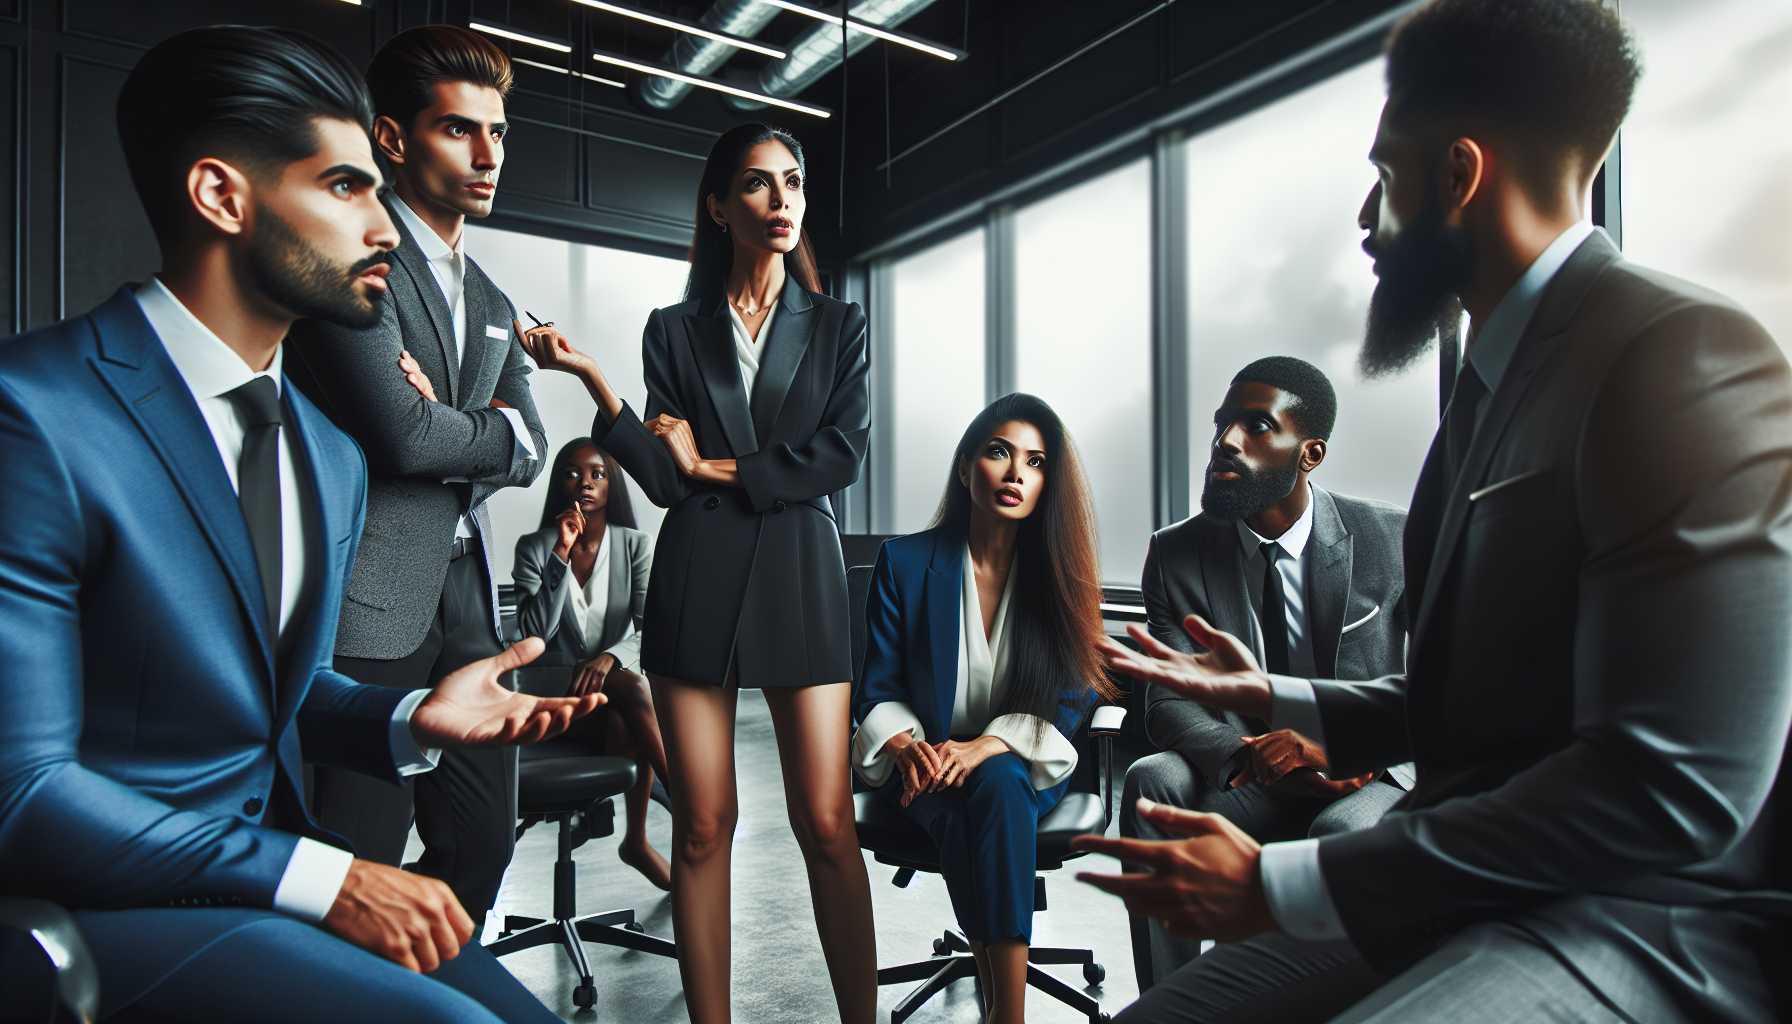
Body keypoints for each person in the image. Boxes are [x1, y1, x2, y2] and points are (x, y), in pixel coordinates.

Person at [1077, 2, 1792, 1021]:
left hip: (1631, 922)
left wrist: (1283, 885)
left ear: (1459, 176)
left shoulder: (1682, 356)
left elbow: (1670, 789)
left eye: (1384, 178)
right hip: (1468, 883)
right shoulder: (1489, 387)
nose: (1364, 222)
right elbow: (1485, 701)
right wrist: (1270, 693)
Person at [0, 27, 600, 1021]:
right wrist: (321, 877)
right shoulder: (33, 414)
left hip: (262, 886)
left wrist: (408, 716)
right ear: (221, 196)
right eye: (344, 188)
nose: (386, 228)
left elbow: (256, 697)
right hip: (103, 910)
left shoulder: (322, 452)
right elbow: (21, 792)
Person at [514, 122, 877, 1023]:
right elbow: (666, 480)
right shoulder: (672, 330)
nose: (781, 200)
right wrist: (603, 388)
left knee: (827, 827)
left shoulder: (839, 325)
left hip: (801, 574)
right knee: (704, 826)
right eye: (756, 186)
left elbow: (837, 458)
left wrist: (720, 466)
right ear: (719, 207)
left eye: (791, 182)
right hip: (699, 576)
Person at [285, 25, 547, 933]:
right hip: (373, 600)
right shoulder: (357, 267)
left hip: (473, 601)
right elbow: (402, 437)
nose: (487, 155)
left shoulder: (495, 302)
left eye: (499, 132)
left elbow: (535, 442)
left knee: (483, 845)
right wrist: (485, 433)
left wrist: (463, 429)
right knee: (362, 856)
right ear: (393, 139)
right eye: (458, 130)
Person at [1121, 356, 1411, 990]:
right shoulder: (1176, 552)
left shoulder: (1392, 538)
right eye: (1225, 424)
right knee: (1151, 781)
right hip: (1248, 770)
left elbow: (1443, 684)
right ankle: (1172, 1003)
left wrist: (1350, 748)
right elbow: (1167, 704)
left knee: (1340, 832)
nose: (1226, 440)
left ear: (1309, 454)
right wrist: (1252, 754)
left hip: (1363, 775)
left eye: (1256, 426)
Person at [850, 393, 1111, 1024]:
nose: (1018, 473)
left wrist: (991, 743)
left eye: (1037, 461)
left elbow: (1078, 689)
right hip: (928, 762)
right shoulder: (906, 562)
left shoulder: (1062, 572)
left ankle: (1006, 1014)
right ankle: (1006, 1010)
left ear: (1049, 482)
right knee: (960, 810)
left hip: (1019, 761)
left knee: (995, 783)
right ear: (967, 468)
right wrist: (907, 748)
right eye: (1000, 453)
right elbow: (876, 688)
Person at [512, 438, 671, 889]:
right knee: (633, 695)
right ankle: (676, 796)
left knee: (627, 700)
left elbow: (650, 629)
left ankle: (636, 840)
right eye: (573, 473)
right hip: (556, 696)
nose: (585, 482)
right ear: (559, 484)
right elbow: (534, 636)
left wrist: (611, 658)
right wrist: (560, 554)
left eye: (598, 473)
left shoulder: (635, 546)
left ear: (611, 485)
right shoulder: (535, 548)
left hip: (615, 697)